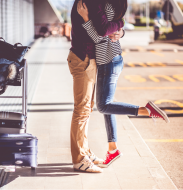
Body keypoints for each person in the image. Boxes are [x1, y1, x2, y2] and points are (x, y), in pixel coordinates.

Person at [77, 0, 170, 170]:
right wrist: (121, 29)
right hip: (112, 59)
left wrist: (85, 19)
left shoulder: (106, 6)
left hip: (109, 61)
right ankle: (113, 149)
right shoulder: (116, 5)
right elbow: (114, 29)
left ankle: (145, 110)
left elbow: (100, 35)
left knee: (104, 106)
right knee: (108, 103)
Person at [67, 0, 126, 173]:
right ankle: (79, 159)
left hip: (87, 59)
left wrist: (120, 31)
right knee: (81, 110)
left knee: (86, 109)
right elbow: (102, 30)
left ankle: (85, 152)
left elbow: (106, 27)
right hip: (83, 58)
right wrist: (121, 23)